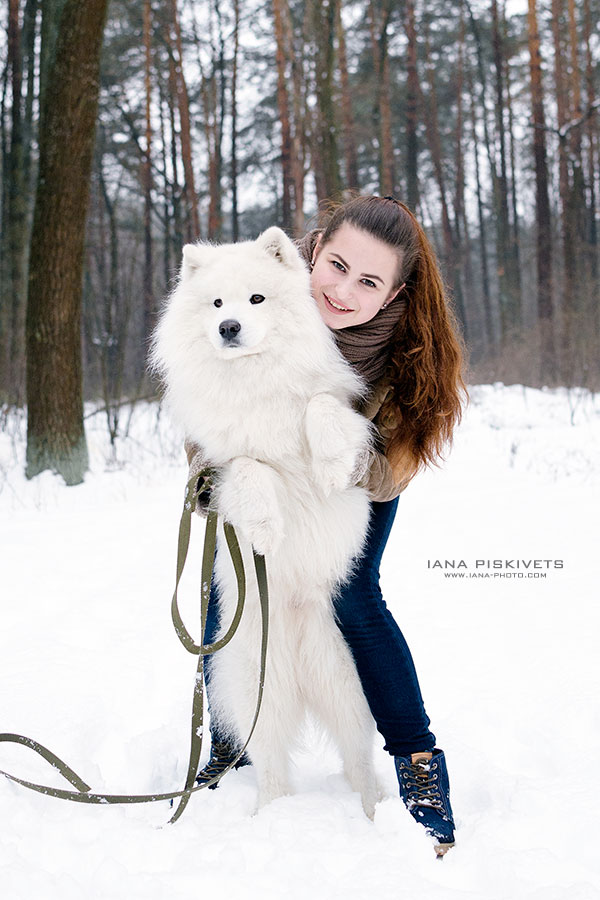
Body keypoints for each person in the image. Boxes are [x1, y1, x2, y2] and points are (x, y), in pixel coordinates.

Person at [185, 194, 467, 856]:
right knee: (234, 583)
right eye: (335, 266)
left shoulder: (406, 352)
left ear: (395, 291)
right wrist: (221, 473)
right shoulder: (262, 283)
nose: (341, 290)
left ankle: (416, 762)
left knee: (355, 596)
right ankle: (233, 740)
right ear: (313, 252)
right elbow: (212, 420)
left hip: (356, 477)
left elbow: (386, 474)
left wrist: (333, 436)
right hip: (258, 478)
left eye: (368, 281)